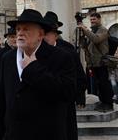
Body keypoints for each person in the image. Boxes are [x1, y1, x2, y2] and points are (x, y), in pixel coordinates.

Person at [0, 9, 76, 140]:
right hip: (13, 134)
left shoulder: (60, 57)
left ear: (40, 34)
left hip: (46, 134)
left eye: (26, 29)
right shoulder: (7, 58)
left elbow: (67, 92)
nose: (20, 33)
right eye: (18, 29)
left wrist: (34, 69)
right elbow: (3, 99)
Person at [43, 11, 87, 140]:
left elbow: (79, 75)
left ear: (56, 34)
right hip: (46, 103)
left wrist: (78, 97)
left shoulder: (67, 49)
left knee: (66, 131)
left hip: (65, 101)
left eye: (49, 32)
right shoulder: (37, 50)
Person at [79, 12, 113, 112]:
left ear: (99, 19)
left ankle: (108, 103)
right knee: (99, 84)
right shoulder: (92, 31)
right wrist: (82, 36)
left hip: (102, 62)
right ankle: (103, 102)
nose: (92, 21)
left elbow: (96, 39)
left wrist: (85, 30)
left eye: (94, 19)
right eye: (91, 20)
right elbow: (84, 46)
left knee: (104, 83)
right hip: (94, 63)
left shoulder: (103, 30)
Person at [0, 27, 17, 98]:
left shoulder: (23, 51)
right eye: (12, 37)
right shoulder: (0, 53)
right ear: (7, 38)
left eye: (17, 36)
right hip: (6, 90)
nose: (15, 39)